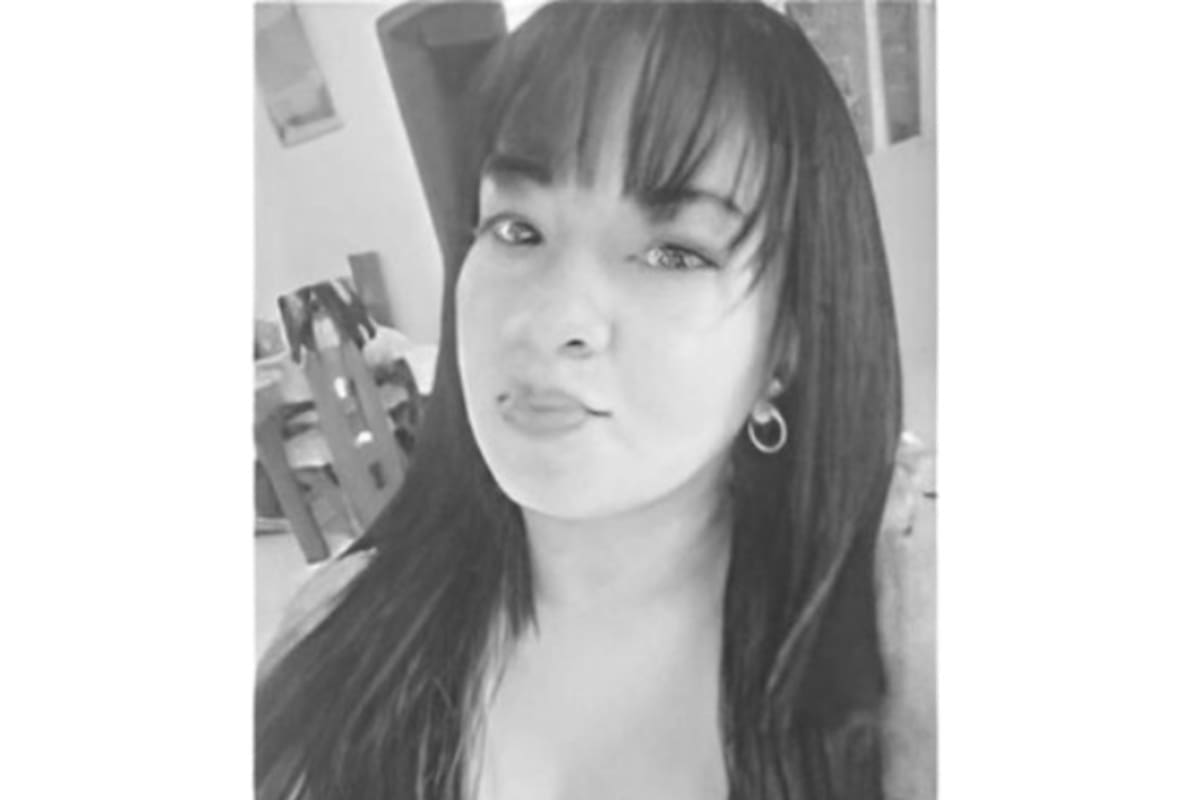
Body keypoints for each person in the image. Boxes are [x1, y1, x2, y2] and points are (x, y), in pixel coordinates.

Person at [256, 2, 918, 799]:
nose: (549, 319)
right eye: (516, 229)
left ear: (786, 348)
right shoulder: (332, 635)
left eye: (673, 253)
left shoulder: (906, 663)